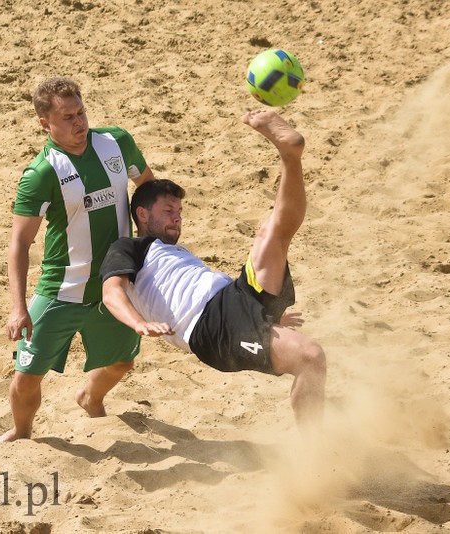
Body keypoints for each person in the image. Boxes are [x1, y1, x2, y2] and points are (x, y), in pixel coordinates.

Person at [100, 109, 326, 431]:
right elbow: (111, 293)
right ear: (142, 215)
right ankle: (317, 455)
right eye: (168, 211)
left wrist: (266, 316)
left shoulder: (175, 251)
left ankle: (290, 156)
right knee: (311, 356)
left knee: (272, 234)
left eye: (179, 211)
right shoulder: (129, 248)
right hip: (209, 325)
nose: (177, 218)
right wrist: (139, 324)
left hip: (235, 296)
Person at [0, 77, 154, 442]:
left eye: (81, 112)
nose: (79, 123)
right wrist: (18, 307)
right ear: (45, 123)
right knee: (27, 376)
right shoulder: (42, 173)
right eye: (67, 117)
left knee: (122, 361)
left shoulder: (117, 143)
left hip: (113, 284)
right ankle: (21, 433)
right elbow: (19, 243)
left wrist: (153, 246)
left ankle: (89, 396)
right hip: (61, 289)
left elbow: (147, 190)